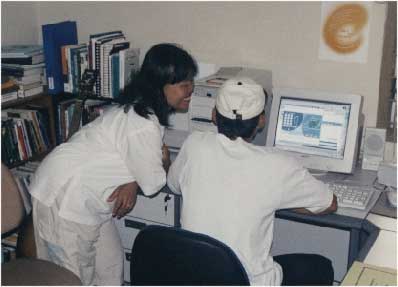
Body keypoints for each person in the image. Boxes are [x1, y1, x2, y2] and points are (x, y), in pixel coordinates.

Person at [29, 43, 198, 285]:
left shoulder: (139, 107)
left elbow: (129, 158)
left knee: (111, 267)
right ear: (160, 86)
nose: (190, 90)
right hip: (65, 199)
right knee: (74, 277)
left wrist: (131, 179)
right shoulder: (141, 123)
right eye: (183, 85)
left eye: (191, 81)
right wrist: (161, 161)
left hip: (87, 196)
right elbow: (152, 184)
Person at [167, 77, 338, 286]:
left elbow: (175, 185)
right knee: (321, 266)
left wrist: (167, 162)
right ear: (261, 121)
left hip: (196, 276)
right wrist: (280, 197)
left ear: (213, 115)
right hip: (246, 281)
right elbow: (329, 204)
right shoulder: (278, 164)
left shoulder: (194, 144)